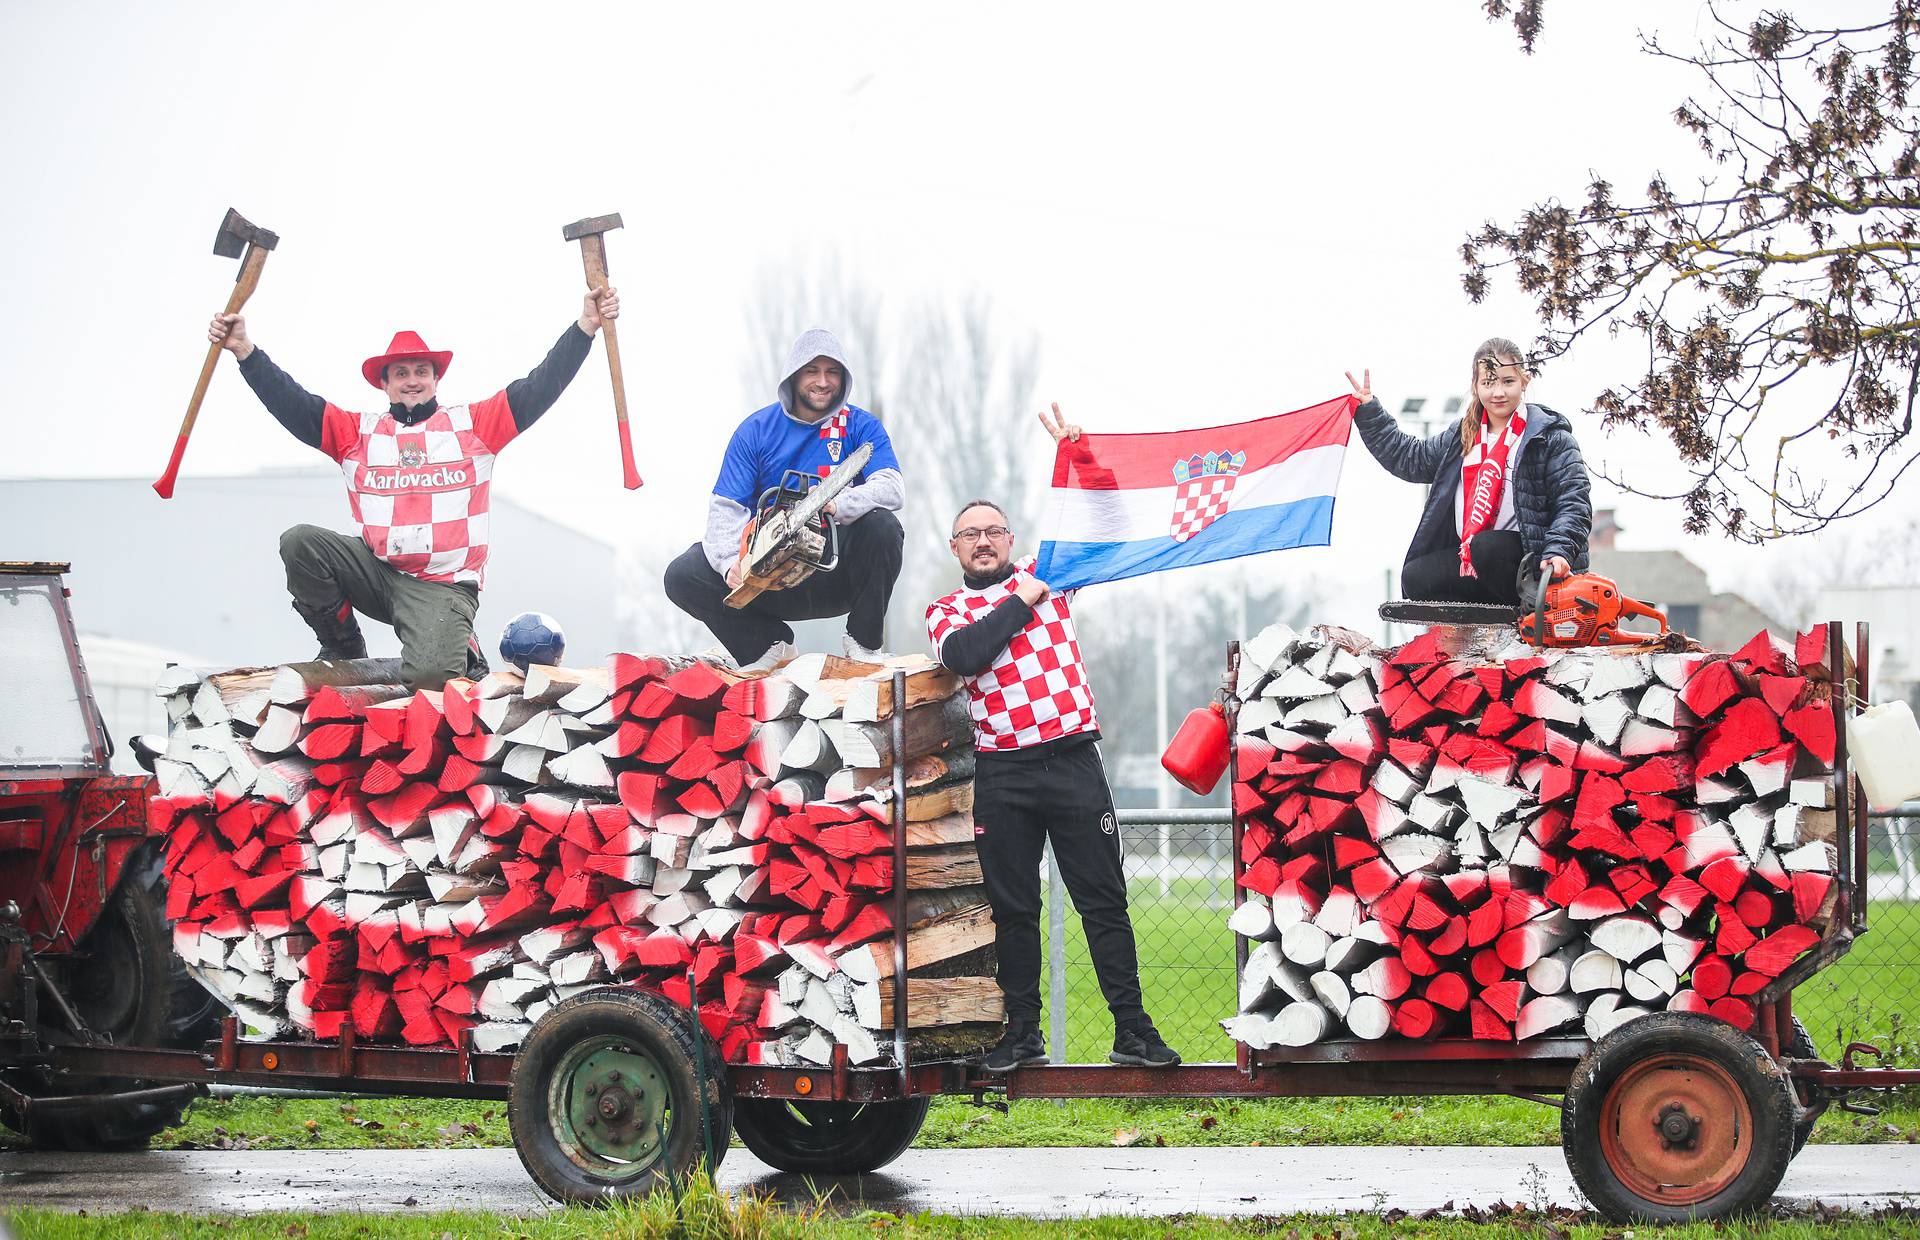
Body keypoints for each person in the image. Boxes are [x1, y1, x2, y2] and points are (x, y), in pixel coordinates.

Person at [924, 405, 1179, 1072]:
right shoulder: (946, 610)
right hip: (1003, 774)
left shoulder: (1052, 572)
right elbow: (966, 658)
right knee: (1014, 909)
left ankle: (1133, 1030)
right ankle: (1023, 1034)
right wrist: (1023, 598)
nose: (983, 541)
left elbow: (1111, 520)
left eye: (993, 531)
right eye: (969, 534)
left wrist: (1082, 455)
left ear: (1010, 539)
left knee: (1104, 901)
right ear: (955, 549)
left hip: (1072, 762)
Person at [208, 288, 619, 690]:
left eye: (421, 372)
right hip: (378, 572)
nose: (411, 381)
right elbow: (293, 403)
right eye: (400, 374)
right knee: (300, 542)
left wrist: (585, 327)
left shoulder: (474, 426)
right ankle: (341, 644)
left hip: (441, 586)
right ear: (384, 384)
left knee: (430, 680)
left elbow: (540, 386)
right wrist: (246, 351)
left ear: (436, 379)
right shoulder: (357, 433)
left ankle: (464, 649)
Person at [664, 328, 904, 670]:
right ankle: (766, 646)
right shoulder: (756, 431)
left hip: (836, 573)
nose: (823, 382)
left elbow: (892, 487)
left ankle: (864, 644)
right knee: (682, 574)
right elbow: (725, 509)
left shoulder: (860, 425)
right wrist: (730, 562)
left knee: (883, 526)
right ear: (793, 375)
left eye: (832, 372)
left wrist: (839, 504)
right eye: (812, 371)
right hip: (768, 580)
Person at [1346, 338, 1592, 605]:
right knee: (1415, 576)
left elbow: (1573, 502)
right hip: (1477, 558)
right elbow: (1411, 459)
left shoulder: (1549, 437)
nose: (1498, 392)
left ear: (1524, 381)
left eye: (1507, 381)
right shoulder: (1463, 436)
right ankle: (1476, 619)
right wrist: (1370, 412)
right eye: (1488, 383)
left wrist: (1559, 551)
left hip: (1535, 562)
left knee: (1486, 547)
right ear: (1475, 386)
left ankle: (1526, 611)